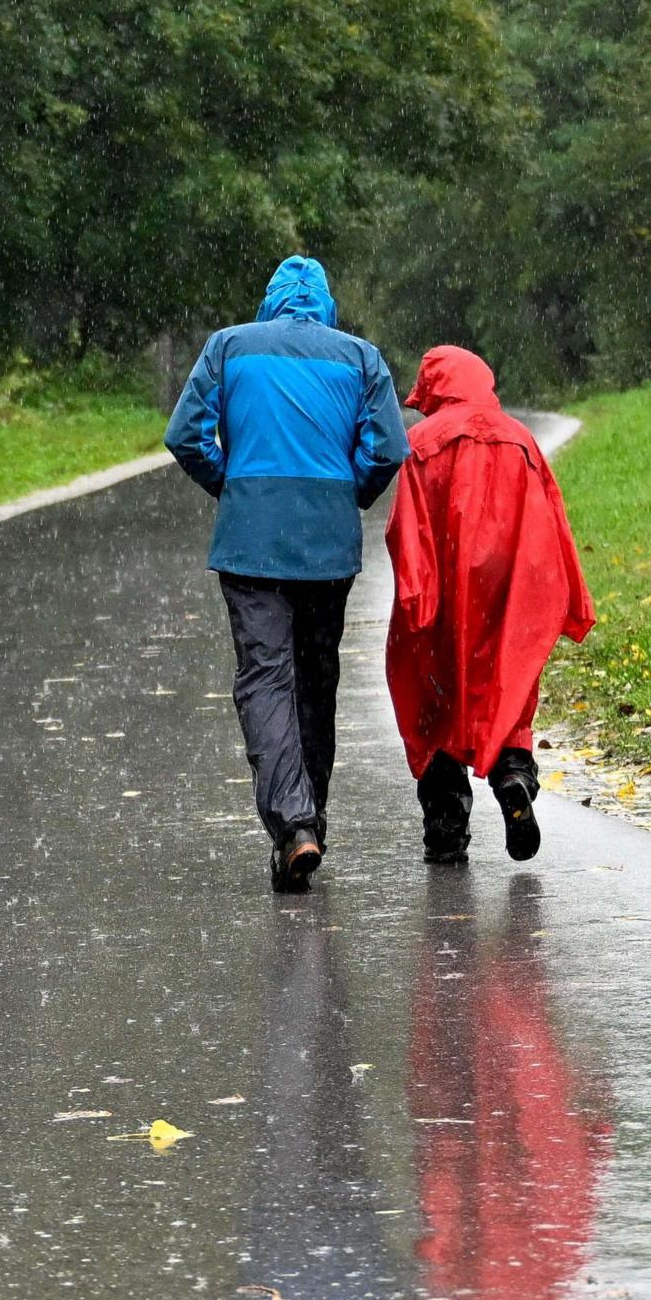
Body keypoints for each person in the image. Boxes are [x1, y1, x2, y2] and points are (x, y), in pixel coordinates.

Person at [166, 255, 409, 892]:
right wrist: (345, 493)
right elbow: (388, 447)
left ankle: (293, 823)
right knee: (314, 678)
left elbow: (186, 435)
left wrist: (234, 484)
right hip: (328, 548)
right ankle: (310, 821)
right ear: (326, 303)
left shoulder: (229, 346)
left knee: (265, 679)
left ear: (270, 301)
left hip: (251, 544)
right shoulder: (361, 358)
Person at [384, 345, 595, 863]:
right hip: (509, 584)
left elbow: (406, 529)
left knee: (434, 696)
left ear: (434, 389)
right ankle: (514, 773)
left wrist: (417, 596)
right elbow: (552, 519)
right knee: (505, 682)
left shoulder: (420, 442)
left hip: (446, 580)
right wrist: (564, 592)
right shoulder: (520, 439)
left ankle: (446, 822)